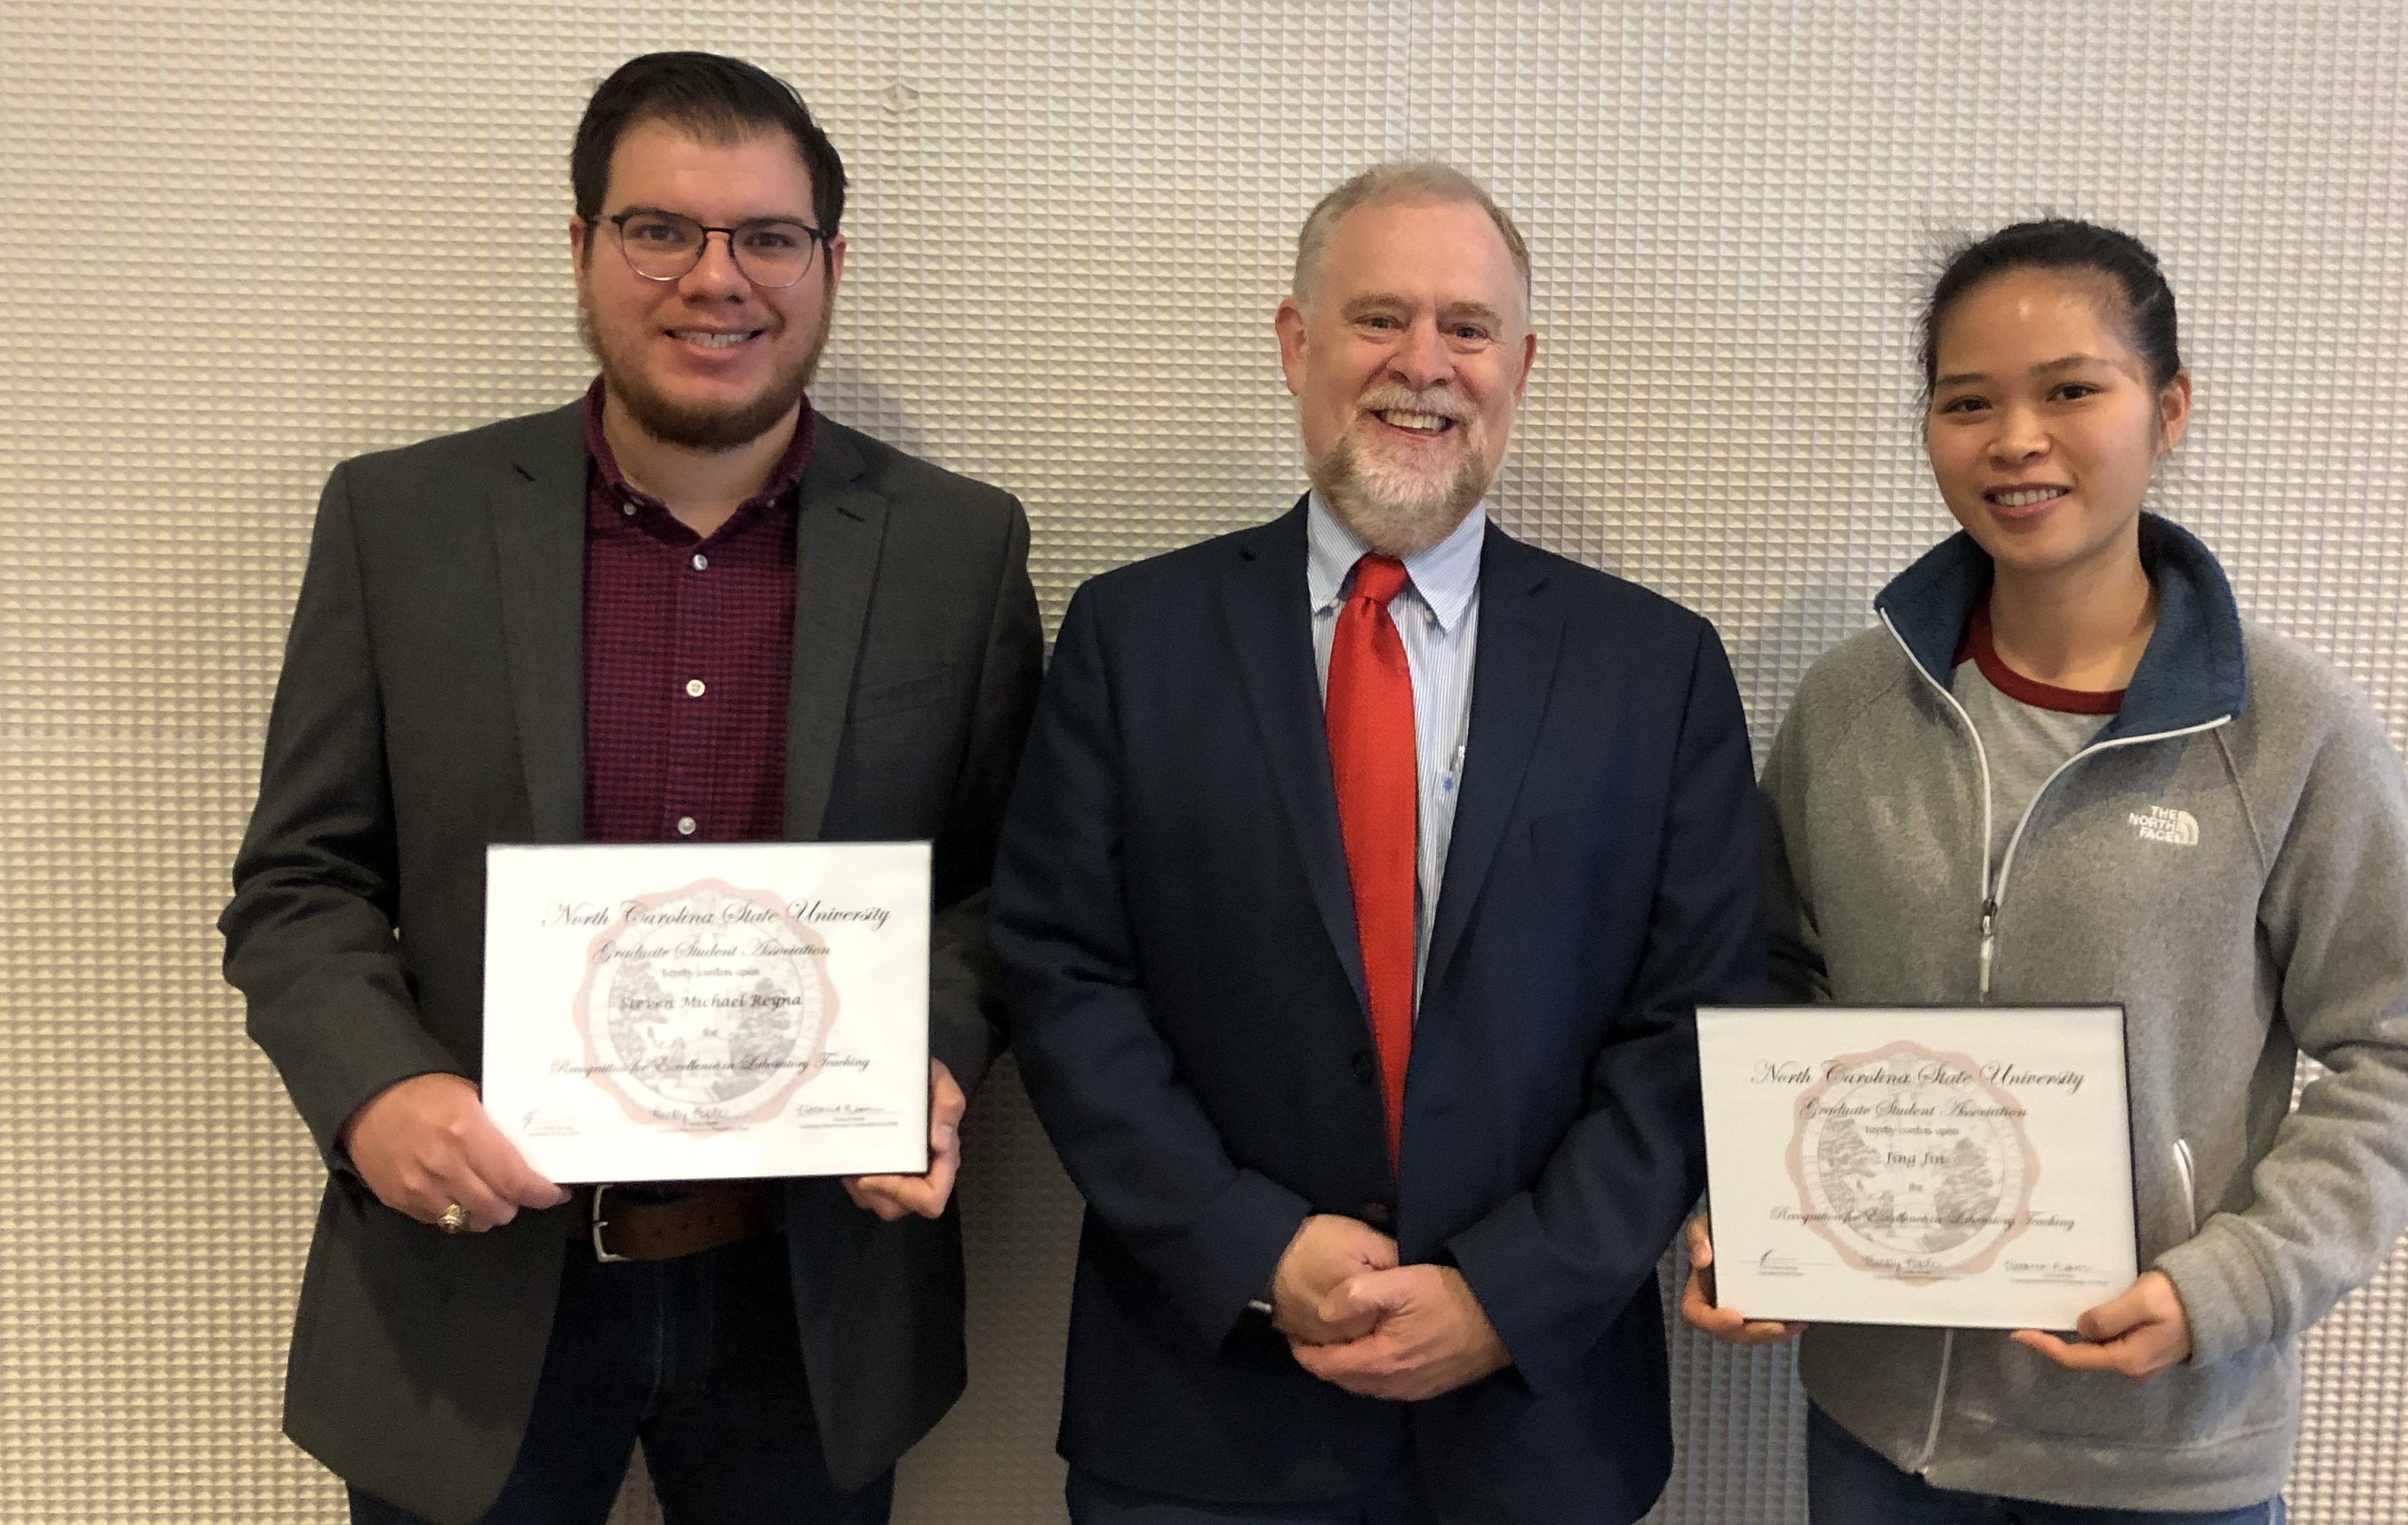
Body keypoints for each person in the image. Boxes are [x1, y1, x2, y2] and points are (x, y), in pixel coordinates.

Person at [220, 52, 1041, 1525]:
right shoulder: (400, 523)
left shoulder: (959, 552)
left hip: (811, 1299)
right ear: (584, 247)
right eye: (659, 229)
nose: (714, 280)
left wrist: (934, 1053)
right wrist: (375, 1089)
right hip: (468, 1289)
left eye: (766, 237)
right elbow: (300, 882)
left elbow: (1001, 887)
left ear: (829, 263)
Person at [992, 162, 1761, 1524]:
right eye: (1378, 319)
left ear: (1522, 363)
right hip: (1200, 1416)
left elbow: (1693, 1021)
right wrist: (1251, 1246)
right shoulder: (1130, 640)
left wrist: (1506, 1295)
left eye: (1467, 328)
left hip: (1536, 1425)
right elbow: (1062, 974)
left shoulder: (1658, 669)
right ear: (1296, 342)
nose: (1425, 364)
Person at [1681, 219, 2408, 1522]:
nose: (2016, 440)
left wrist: (2232, 1283)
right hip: (1883, 1437)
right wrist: (1750, 1200)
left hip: (2159, 1450)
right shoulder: (1849, 708)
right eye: (1967, 401)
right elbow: (1779, 981)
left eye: (2070, 390)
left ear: (2167, 409)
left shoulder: (2284, 729)